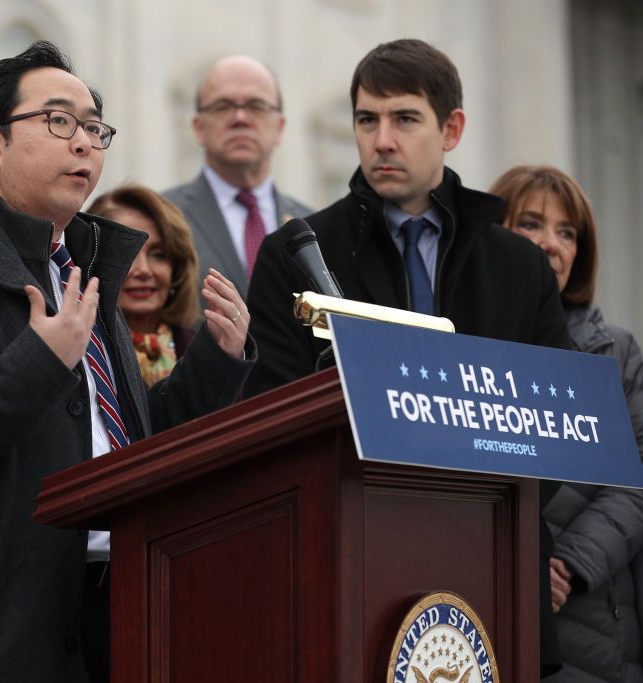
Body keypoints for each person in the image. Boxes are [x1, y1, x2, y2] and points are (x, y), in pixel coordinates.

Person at [0, 41, 256, 682]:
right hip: (0, 633)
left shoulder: (84, 269)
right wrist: (38, 362)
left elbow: (125, 443)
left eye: (94, 128)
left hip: (121, 602)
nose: (84, 143)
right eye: (58, 122)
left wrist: (216, 361)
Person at [243, 38, 570, 676]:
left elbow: (556, 423)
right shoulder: (300, 254)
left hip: (494, 552)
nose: (382, 140)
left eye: (404, 119)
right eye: (367, 120)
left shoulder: (520, 266)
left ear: (451, 129)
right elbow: (272, 409)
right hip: (352, 551)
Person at [491, 165, 643, 683]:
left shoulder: (616, 352)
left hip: (592, 617)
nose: (550, 244)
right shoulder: (458, 345)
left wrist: (566, 565)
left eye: (567, 232)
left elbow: (635, 478)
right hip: (482, 610)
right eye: (530, 224)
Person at [164, 55, 310, 295]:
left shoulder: (312, 227)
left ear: (280, 128)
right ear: (198, 128)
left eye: (256, 106)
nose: (240, 118)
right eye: (223, 107)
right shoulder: (164, 218)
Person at [87, 184, 201, 386]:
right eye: (125, 254)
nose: (144, 270)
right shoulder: (82, 353)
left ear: (177, 266)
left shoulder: (204, 352)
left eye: (158, 255)